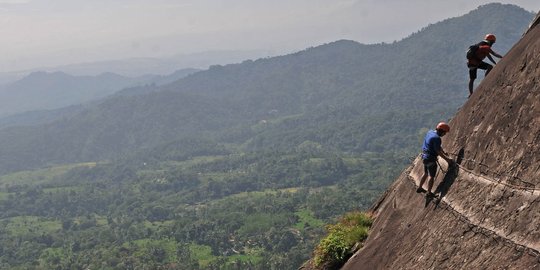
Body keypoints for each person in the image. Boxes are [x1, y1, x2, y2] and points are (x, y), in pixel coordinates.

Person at [417, 122, 453, 197]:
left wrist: (443, 151)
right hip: (430, 159)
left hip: (425, 157)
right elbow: (437, 151)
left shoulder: (430, 132)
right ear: (441, 131)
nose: (444, 134)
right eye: (444, 133)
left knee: (425, 173)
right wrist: (447, 160)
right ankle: (429, 192)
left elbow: (434, 145)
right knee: (431, 176)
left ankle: (420, 187)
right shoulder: (437, 138)